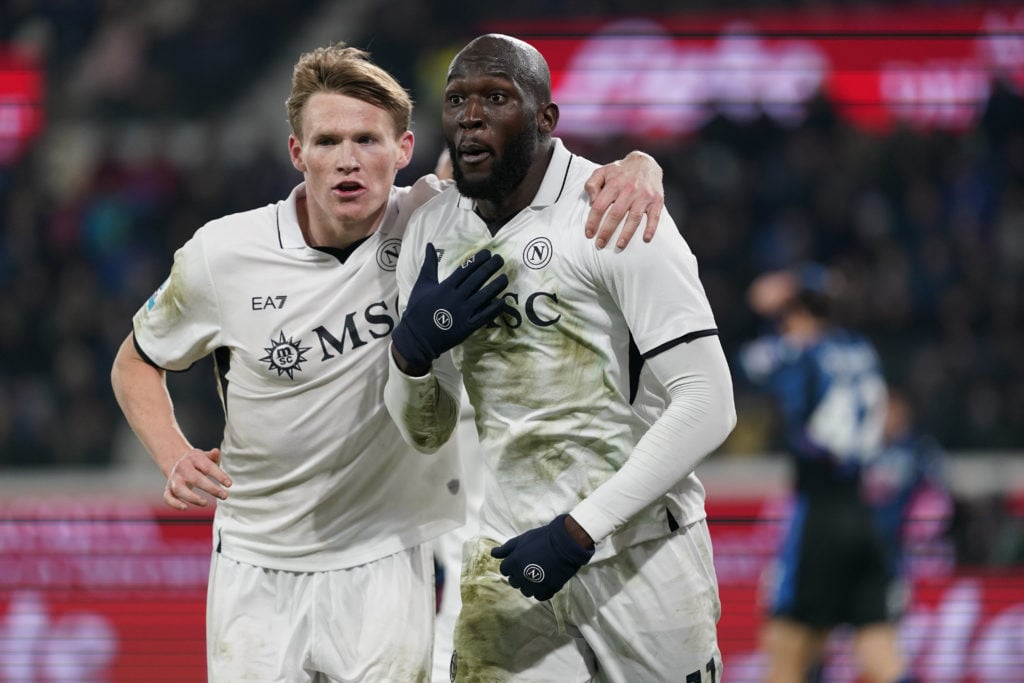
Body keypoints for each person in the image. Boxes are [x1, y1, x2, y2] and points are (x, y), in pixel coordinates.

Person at [109, 41, 667, 682]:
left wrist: (638, 164)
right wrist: (173, 453)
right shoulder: (222, 254)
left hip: (384, 554)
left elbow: (530, 168)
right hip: (255, 558)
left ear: (402, 150)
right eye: (327, 142)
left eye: (368, 140)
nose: (348, 161)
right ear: (298, 153)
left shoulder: (433, 220)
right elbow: (136, 360)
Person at [384, 33, 736, 682]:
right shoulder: (430, 236)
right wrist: (409, 356)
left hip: (640, 551)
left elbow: (710, 402)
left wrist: (580, 529)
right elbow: (424, 431)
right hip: (507, 559)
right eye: (457, 100)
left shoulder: (616, 213)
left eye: (496, 97)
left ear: (546, 119)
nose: (471, 115)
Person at [736, 264, 914, 683]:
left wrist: (762, 308)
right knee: (879, 653)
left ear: (794, 311)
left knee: (785, 652)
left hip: (819, 516)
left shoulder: (798, 351)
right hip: (865, 515)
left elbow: (742, 365)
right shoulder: (861, 349)